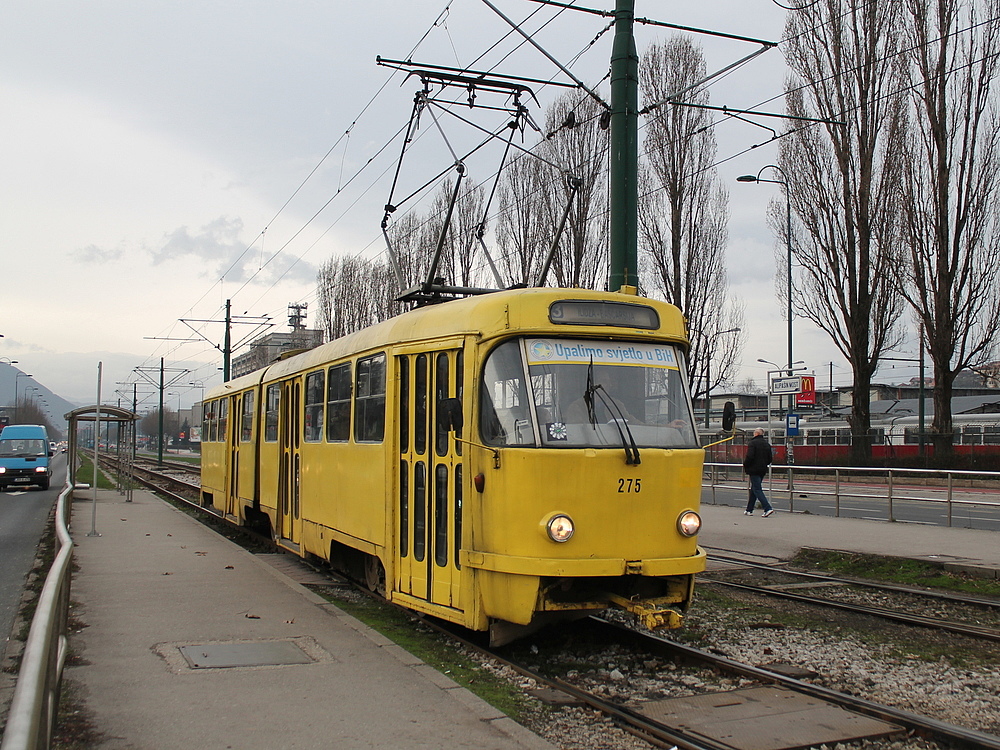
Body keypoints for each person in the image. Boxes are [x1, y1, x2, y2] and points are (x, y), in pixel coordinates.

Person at [743, 427, 775, 517]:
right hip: (762, 469)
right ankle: (749, 509)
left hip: (753, 469)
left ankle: (767, 508)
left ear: (756, 434)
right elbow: (770, 459)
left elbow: (750, 456)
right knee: (754, 488)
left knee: (757, 489)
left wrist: (746, 464)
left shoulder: (752, 443)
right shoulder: (767, 444)